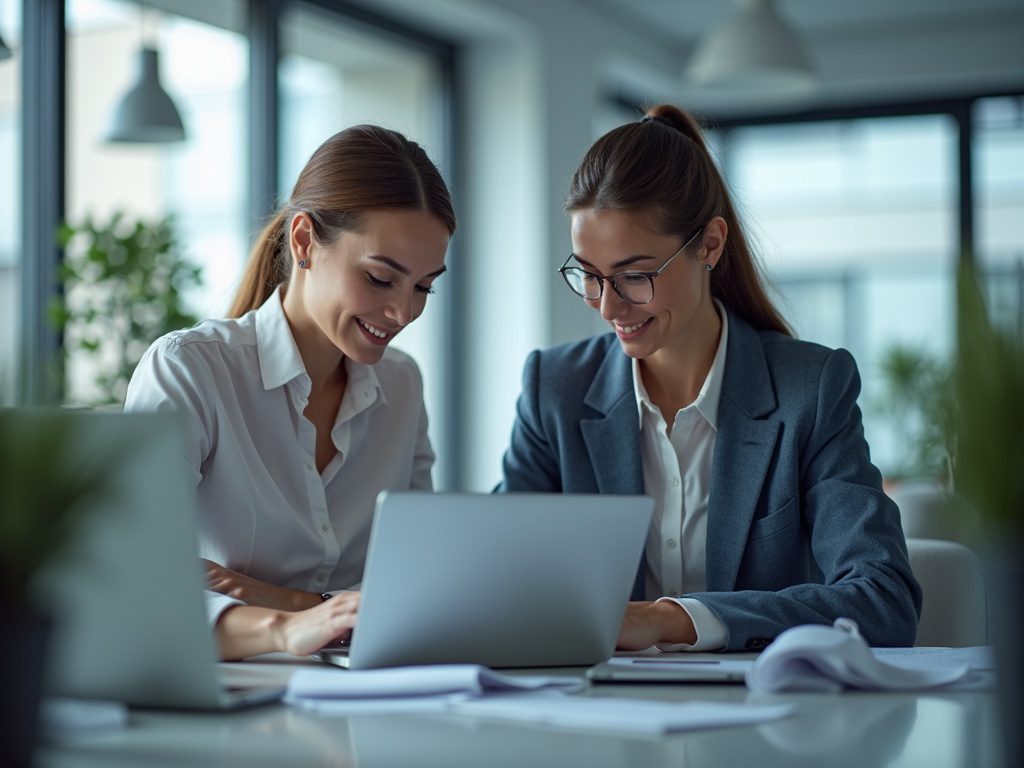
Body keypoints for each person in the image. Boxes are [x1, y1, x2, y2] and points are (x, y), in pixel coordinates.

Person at [498, 105, 921, 652]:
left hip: (761, 703)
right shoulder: (556, 390)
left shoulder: (810, 391)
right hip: (595, 700)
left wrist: (673, 619)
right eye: (589, 275)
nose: (607, 307)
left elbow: (884, 601)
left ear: (710, 245)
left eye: (635, 275)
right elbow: (497, 574)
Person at [125, 125, 455, 661]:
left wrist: (300, 604)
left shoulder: (401, 384)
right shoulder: (190, 370)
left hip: (371, 687)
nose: (403, 312)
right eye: (379, 278)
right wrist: (285, 627)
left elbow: (416, 580)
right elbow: (132, 585)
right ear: (304, 241)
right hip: (231, 689)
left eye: (424, 286)